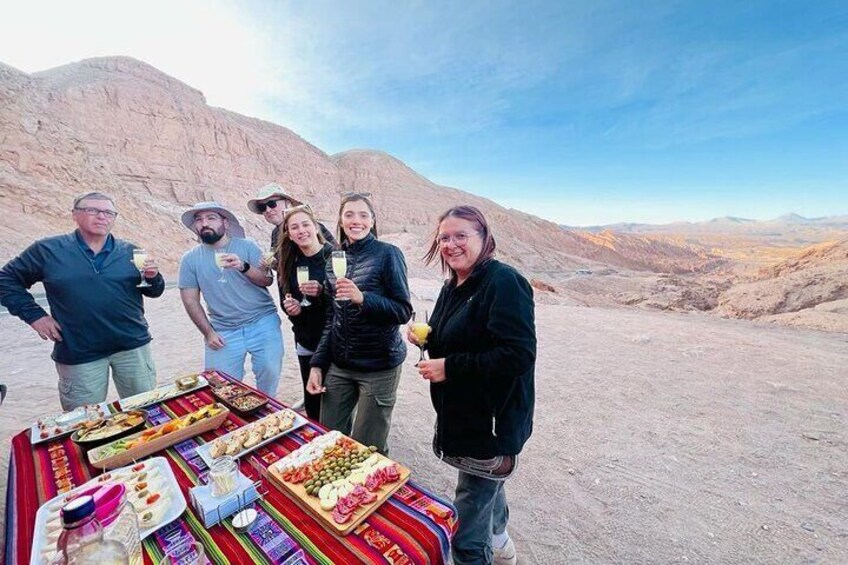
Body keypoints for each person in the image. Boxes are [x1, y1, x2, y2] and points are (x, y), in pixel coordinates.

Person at [409, 205, 536, 565]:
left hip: (490, 423)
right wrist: (424, 340)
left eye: (461, 235)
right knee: (483, 488)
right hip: (466, 416)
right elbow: (455, 337)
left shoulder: (503, 282)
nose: (451, 244)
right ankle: (500, 543)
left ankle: (483, 549)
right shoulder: (453, 285)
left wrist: (450, 366)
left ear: (484, 237)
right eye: (444, 238)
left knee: (466, 528)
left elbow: (517, 355)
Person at [0, 192, 164, 411]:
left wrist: (154, 278)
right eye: (92, 210)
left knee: (147, 410)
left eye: (108, 212)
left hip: (132, 346)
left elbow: (154, 291)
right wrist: (35, 316)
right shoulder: (48, 250)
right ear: (74, 215)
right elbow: (6, 280)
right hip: (79, 352)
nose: (101, 216)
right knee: (84, 423)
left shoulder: (131, 251)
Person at [307, 193, 413, 454]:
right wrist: (318, 364)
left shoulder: (388, 254)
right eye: (349, 215)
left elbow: (403, 311)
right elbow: (332, 318)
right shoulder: (334, 259)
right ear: (341, 222)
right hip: (341, 365)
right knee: (329, 441)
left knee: (368, 449)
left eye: (363, 215)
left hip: (379, 367)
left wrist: (363, 298)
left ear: (372, 221)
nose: (356, 221)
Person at [178, 201, 284, 397]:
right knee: (218, 386)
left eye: (211, 218)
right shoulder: (190, 259)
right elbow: (191, 300)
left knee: (269, 374)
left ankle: (267, 412)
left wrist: (243, 267)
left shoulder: (247, 247)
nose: (204, 223)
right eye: (199, 220)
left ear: (225, 223)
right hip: (223, 329)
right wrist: (208, 332)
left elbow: (266, 280)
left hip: (262, 321)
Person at [275, 205, 333, 420]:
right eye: (294, 227)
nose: (301, 231)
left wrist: (322, 292)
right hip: (306, 339)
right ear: (289, 235)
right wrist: (293, 309)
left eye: (305, 224)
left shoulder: (334, 257)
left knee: (336, 401)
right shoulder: (289, 263)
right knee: (313, 402)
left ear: (316, 227)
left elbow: (344, 302)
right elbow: (286, 299)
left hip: (335, 341)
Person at [247, 183, 335, 253]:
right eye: (262, 207)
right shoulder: (275, 233)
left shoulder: (309, 227)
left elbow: (338, 254)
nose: (268, 210)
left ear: (287, 203)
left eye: (272, 204)